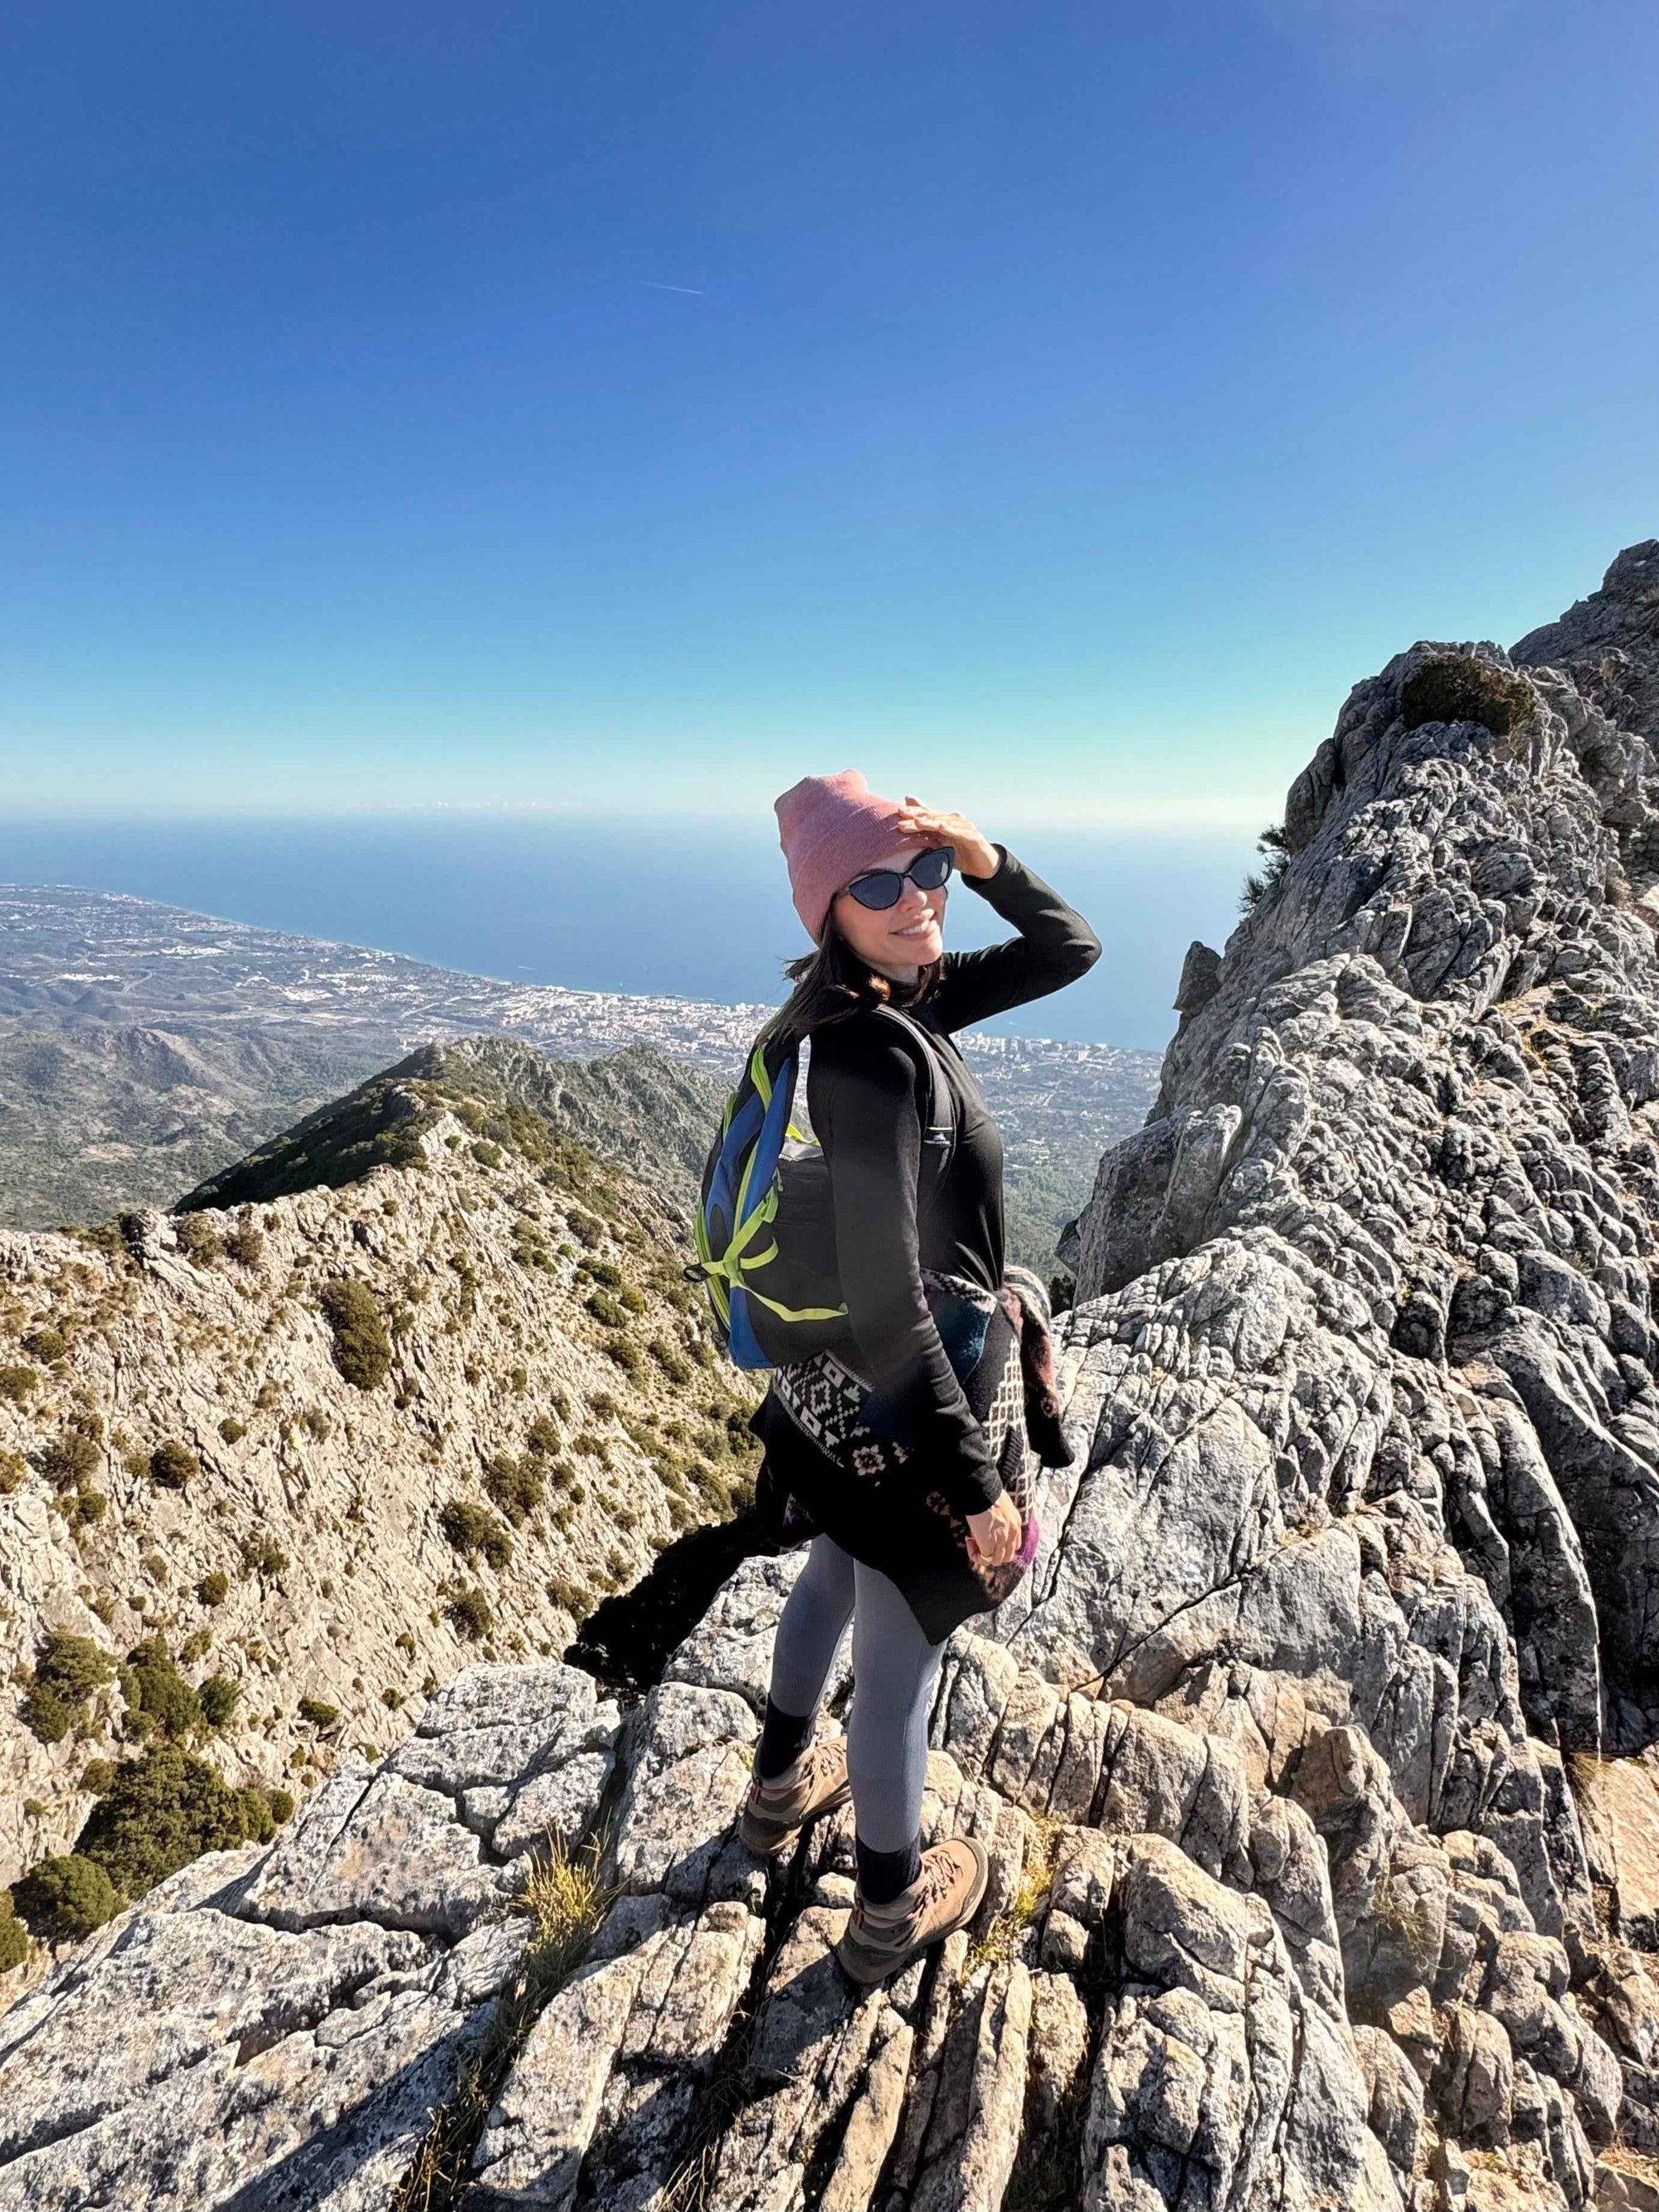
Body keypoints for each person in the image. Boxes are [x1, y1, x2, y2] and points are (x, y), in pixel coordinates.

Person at [735, 768, 1101, 1985]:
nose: (917, 898)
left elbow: (1071, 949)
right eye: (878, 883)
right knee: (896, 1681)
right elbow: (893, 1305)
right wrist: (977, 1491)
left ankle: (778, 1785)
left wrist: (980, 854)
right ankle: (887, 1913)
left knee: (835, 1572)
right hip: (906, 1402)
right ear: (827, 910)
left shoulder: (886, 1005)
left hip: (831, 1405)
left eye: (924, 870)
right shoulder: (877, 1060)